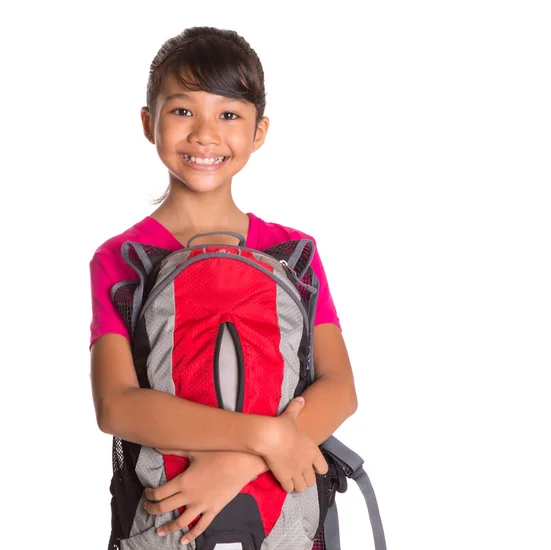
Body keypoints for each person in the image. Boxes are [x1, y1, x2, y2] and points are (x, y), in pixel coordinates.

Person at [89, 26, 358, 546]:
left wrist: (236, 465)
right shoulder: (121, 258)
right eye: (183, 111)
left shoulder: (294, 253)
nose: (205, 134)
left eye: (229, 114)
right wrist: (264, 438)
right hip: (167, 523)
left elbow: (340, 389)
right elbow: (116, 406)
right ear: (150, 123)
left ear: (259, 132)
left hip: (286, 518)